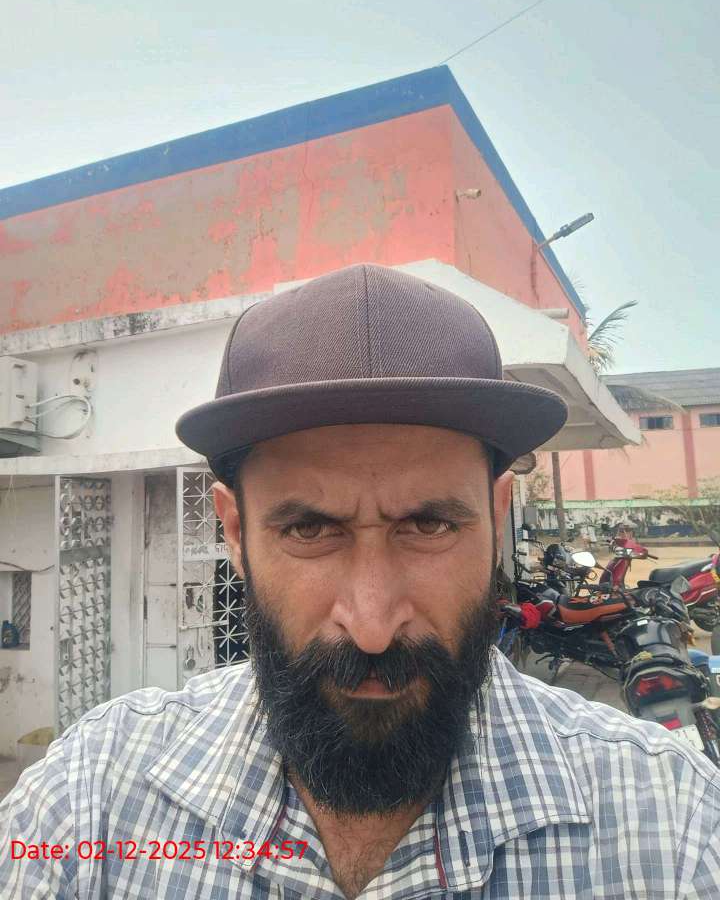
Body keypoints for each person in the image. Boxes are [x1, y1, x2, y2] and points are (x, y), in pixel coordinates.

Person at [1, 264, 718, 898]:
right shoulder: (91, 801)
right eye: (310, 530)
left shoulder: (673, 831)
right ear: (236, 532)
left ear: (496, 517)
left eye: (429, 525)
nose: (372, 624)